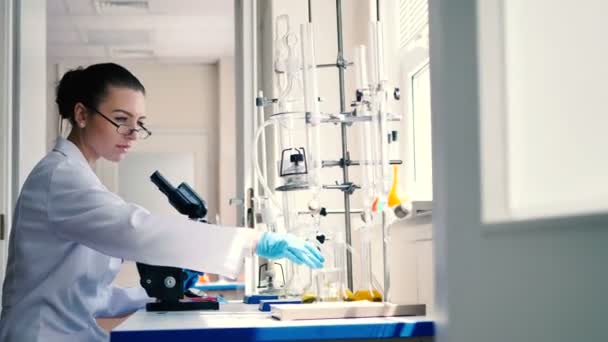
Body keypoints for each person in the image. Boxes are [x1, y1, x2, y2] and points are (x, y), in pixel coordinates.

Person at [0, 63, 324, 342]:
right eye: (121, 119)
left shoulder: (77, 177)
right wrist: (253, 240)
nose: (132, 132)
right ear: (82, 114)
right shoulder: (60, 177)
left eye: (139, 122)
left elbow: (83, 295)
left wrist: (153, 293)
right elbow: (136, 230)